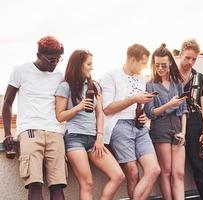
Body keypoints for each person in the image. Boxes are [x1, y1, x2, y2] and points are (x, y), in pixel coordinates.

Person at [2, 36, 67, 200]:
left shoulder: (59, 75)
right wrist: (8, 133)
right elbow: (7, 103)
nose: (55, 64)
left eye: (58, 60)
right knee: (35, 184)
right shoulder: (21, 71)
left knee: (58, 186)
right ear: (39, 55)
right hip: (30, 131)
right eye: (52, 60)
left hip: (55, 132)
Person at [55, 49, 125, 200]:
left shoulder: (94, 86)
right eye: (89, 64)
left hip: (94, 139)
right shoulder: (65, 87)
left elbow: (100, 113)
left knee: (118, 175)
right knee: (87, 183)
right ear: (78, 65)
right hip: (74, 138)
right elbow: (60, 116)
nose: (91, 67)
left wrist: (100, 137)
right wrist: (78, 107)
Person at [101, 44, 161, 200]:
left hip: (139, 126)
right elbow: (107, 108)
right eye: (143, 63)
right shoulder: (111, 76)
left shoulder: (142, 79)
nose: (145, 67)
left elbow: (140, 106)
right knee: (133, 173)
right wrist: (134, 98)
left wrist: (142, 116)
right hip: (119, 125)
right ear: (132, 59)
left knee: (154, 169)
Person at [144, 44, 188, 200]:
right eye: (157, 65)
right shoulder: (150, 85)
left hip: (177, 127)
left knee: (179, 173)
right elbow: (150, 113)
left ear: (170, 63)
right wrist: (169, 104)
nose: (160, 68)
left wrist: (183, 131)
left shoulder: (177, 83)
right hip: (160, 128)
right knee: (166, 171)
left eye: (164, 64)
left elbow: (183, 110)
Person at [178, 39, 203, 200]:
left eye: (194, 59)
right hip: (181, 122)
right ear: (180, 54)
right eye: (187, 57)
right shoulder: (171, 75)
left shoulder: (200, 78)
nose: (190, 62)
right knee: (197, 166)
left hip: (198, 120)